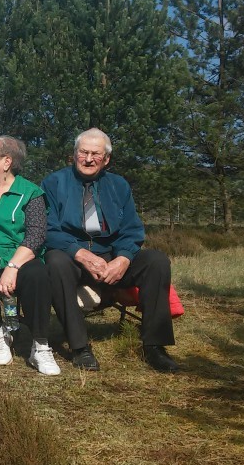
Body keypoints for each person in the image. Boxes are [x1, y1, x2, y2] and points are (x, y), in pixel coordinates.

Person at [42, 128, 179, 373]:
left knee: (156, 261)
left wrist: (124, 259)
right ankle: (80, 347)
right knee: (55, 261)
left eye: (96, 154)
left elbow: (132, 229)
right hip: (72, 255)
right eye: (83, 152)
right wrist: (80, 254)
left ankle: (155, 346)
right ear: (74, 154)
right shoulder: (54, 183)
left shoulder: (119, 185)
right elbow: (48, 229)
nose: (88, 159)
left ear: (106, 159)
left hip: (111, 254)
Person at [0, 136, 61, 376]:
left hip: (21, 256)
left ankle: (40, 345)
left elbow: (37, 234)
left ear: (6, 161)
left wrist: (13, 266)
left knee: (38, 276)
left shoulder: (31, 193)